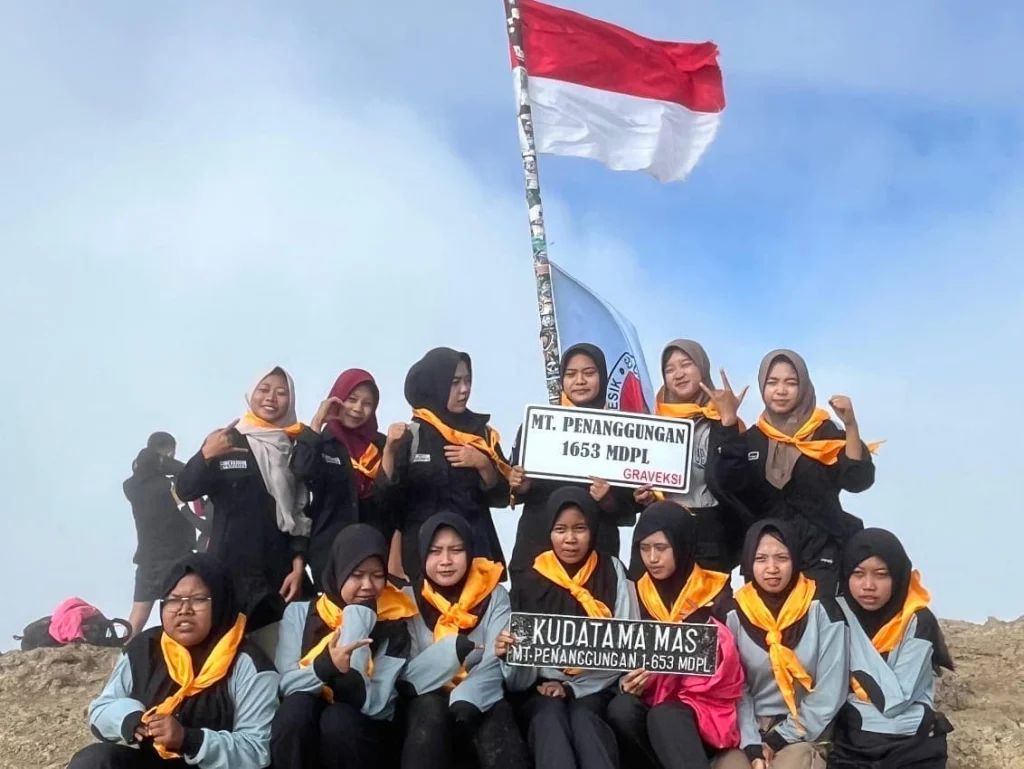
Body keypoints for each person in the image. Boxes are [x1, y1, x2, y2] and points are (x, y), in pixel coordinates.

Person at [69, 554, 279, 769]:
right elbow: (101, 709)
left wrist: (188, 739)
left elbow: (256, 751)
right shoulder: (143, 649)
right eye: (173, 600)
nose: (184, 610)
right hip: (152, 762)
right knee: (95, 761)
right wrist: (130, 718)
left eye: (198, 599)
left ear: (220, 602)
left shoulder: (249, 664)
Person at [712, 349, 876, 595]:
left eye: (791, 382)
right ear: (762, 387)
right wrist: (728, 421)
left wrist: (850, 425)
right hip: (767, 561)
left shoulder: (824, 432)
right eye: (772, 382)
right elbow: (727, 483)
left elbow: (857, 479)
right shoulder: (752, 440)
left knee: (820, 629)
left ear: (804, 386)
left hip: (820, 557)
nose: (781, 390)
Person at [498, 486, 638, 769]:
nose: (570, 539)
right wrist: (508, 656)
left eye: (580, 528)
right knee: (549, 719)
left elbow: (626, 647)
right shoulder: (529, 578)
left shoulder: (612, 571)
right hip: (538, 689)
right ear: (549, 531)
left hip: (599, 686)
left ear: (594, 529)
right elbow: (517, 680)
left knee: (586, 721)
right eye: (560, 529)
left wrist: (574, 688)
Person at [607, 503, 744, 769]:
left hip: (704, 709)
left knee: (666, 716)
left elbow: (735, 675)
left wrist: (704, 632)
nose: (652, 558)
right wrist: (630, 681)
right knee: (621, 708)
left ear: (681, 545)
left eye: (661, 548)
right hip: (654, 701)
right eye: (644, 549)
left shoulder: (715, 594)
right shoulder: (636, 594)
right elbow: (625, 652)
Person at [270, 524, 417, 769]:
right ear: (338, 571)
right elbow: (285, 684)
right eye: (356, 575)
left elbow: (380, 704)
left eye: (377, 575)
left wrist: (359, 622)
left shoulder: (394, 620)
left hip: (365, 734)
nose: (368, 585)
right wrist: (324, 667)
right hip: (309, 725)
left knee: (338, 719)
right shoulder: (301, 613)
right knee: (295, 710)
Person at [175, 367, 312, 628]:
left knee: (279, 651)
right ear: (251, 393)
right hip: (229, 569)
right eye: (264, 389)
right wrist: (206, 455)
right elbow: (185, 489)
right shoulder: (226, 439)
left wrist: (298, 568)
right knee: (228, 649)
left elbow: (299, 513)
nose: (271, 397)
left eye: (281, 393)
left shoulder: (292, 447)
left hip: (278, 572)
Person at [400, 513, 530, 769]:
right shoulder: (407, 599)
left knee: (497, 720)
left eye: (456, 550)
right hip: (427, 693)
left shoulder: (494, 594)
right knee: (427, 717)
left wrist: (469, 693)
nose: (446, 561)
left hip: (483, 690)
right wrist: (452, 652)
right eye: (435, 551)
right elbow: (408, 672)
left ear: (470, 551)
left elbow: (495, 659)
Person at [720, 520, 849, 769]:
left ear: (796, 559)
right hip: (749, 730)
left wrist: (780, 738)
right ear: (748, 562)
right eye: (761, 559)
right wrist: (753, 744)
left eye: (782, 558)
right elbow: (737, 689)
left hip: (805, 732)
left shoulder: (823, 611)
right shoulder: (734, 615)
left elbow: (830, 691)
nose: (772, 568)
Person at [377, 347, 512, 579]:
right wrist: (389, 450)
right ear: (435, 384)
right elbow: (386, 502)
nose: (465, 389)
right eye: (455, 382)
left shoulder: (482, 435)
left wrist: (483, 464)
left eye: (468, 381)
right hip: (421, 558)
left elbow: (503, 497)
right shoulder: (412, 434)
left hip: (475, 555)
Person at [829, 529, 954, 769]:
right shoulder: (836, 613)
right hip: (852, 746)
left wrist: (851, 635)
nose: (868, 585)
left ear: (897, 576)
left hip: (911, 746)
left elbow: (895, 700)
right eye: (858, 574)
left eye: (881, 575)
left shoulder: (917, 621)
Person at [508, 343, 637, 577]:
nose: (580, 381)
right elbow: (517, 487)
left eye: (589, 373)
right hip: (537, 552)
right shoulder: (538, 425)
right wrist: (519, 484)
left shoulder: (623, 432)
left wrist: (608, 499)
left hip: (597, 556)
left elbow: (628, 511)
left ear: (603, 376)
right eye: (571, 374)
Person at [634, 340, 749, 574]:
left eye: (686, 364)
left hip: (710, 536)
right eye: (669, 369)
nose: (678, 374)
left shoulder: (724, 419)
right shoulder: (652, 423)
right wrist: (642, 495)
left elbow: (736, 482)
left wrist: (728, 424)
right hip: (661, 533)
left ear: (702, 369)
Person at [293, 369, 390, 591]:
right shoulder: (320, 441)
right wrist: (317, 422)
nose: (357, 409)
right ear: (337, 399)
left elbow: (393, 499)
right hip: (328, 552)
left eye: (367, 404)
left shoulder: (383, 446)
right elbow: (300, 470)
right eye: (351, 400)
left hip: (373, 554)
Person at [124, 431, 194, 637]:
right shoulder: (169, 486)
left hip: (147, 558)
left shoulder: (131, 487)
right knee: (179, 609)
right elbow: (187, 471)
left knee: (137, 616)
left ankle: (122, 658)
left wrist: (151, 459)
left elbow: (144, 469)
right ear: (169, 452)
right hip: (175, 555)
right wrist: (165, 460)